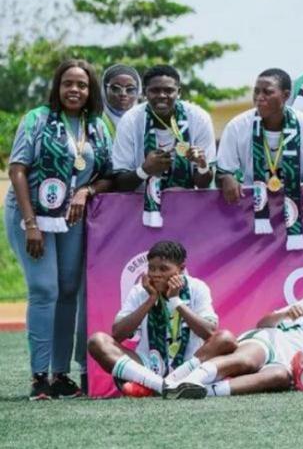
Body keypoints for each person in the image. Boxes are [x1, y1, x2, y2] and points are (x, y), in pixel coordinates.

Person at [6, 59, 114, 399]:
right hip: (31, 214)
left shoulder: (96, 125)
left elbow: (108, 174)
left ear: (89, 90)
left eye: (81, 85)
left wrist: (87, 190)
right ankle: (39, 377)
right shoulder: (36, 118)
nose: (74, 90)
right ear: (57, 86)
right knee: (44, 289)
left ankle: (61, 374)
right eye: (68, 83)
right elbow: (18, 170)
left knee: (69, 290)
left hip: (71, 216)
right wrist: (31, 223)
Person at [165, 264, 303, 399]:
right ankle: (191, 380)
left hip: (291, 366)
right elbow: (263, 323)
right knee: (248, 360)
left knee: (279, 377)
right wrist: (285, 315)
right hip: (273, 340)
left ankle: (207, 391)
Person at [86, 240, 228, 397]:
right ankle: (162, 386)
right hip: (147, 365)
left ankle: (166, 382)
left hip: (189, 367)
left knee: (225, 338)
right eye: (151, 268)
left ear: (181, 269)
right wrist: (150, 300)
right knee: (97, 341)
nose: (155, 274)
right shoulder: (140, 291)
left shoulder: (197, 288)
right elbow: (118, 334)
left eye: (163, 269)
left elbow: (209, 332)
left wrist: (176, 301)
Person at [216, 69, 303, 250]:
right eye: (256, 91)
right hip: (252, 216)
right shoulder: (237, 126)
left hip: (300, 214)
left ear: (286, 95)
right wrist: (227, 178)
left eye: (267, 92)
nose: (259, 97)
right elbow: (223, 171)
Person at [110, 65, 216, 227]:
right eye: (155, 90)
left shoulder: (199, 118)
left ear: (179, 92)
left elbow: (203, 183)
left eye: (169, 90)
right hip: (140, 211)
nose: (162, 96)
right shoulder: (130, 120)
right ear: (144, 92)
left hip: (188, 211)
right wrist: (145, 170)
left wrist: (202, 165)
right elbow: (120, 182)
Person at [100, 64, 141, 137]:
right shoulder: (94, 121)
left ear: (138, 91)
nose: (123, 94)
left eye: (130, 89)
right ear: (104, 90)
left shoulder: (144, 121)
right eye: (116, 88)